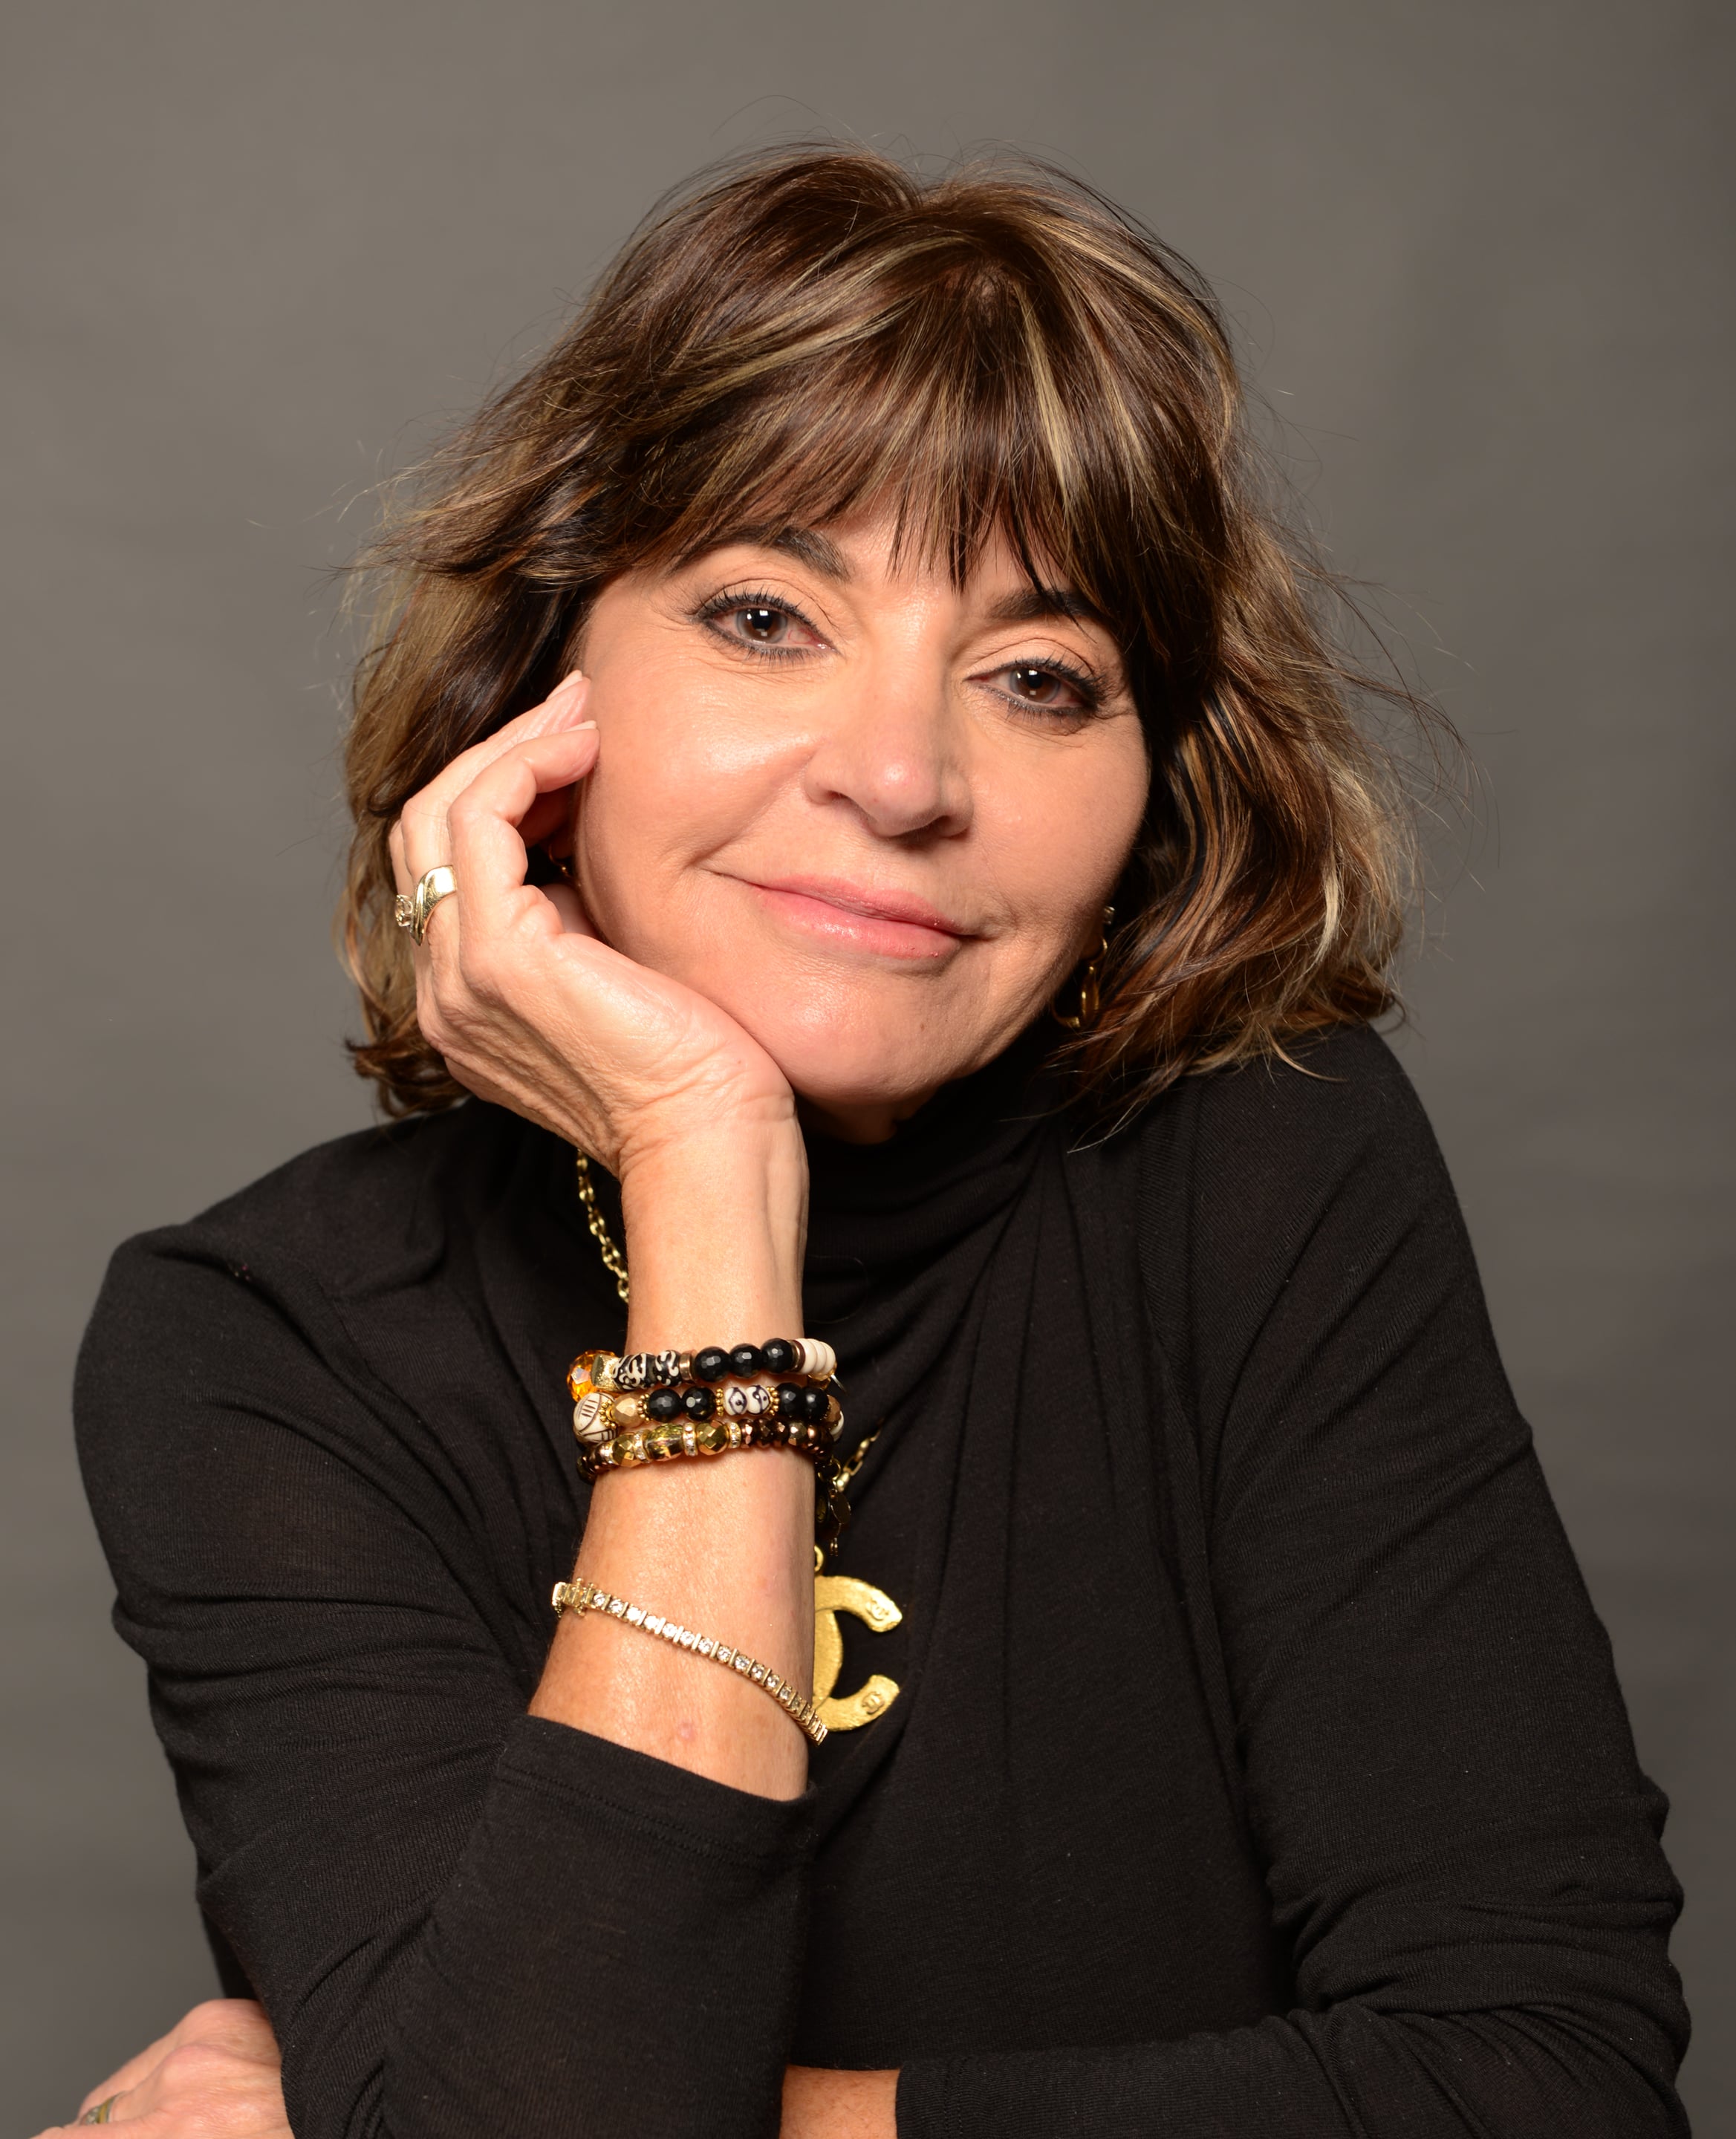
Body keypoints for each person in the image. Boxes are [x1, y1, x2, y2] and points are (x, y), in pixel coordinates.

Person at [53, 147, 1687, 2138]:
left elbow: (1544, 2081)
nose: (905, 777)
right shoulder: (261, 1341)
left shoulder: (1264, 1162)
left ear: (1155, 794)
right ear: (539, 687)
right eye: (766, 617)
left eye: (1038, 679)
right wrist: (703, 1162)